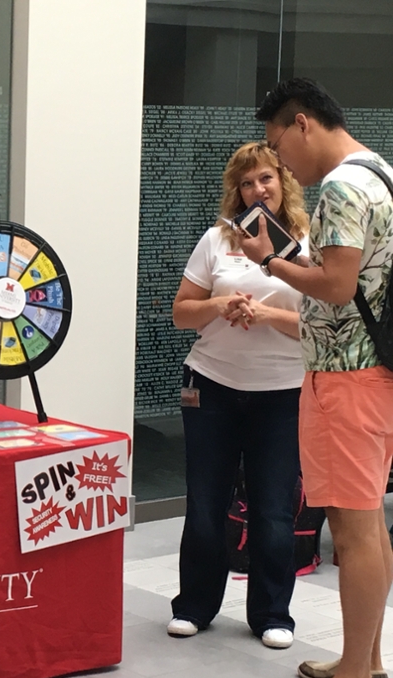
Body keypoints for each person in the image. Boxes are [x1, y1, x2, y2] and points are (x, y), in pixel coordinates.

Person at [241, 78, 393, 678]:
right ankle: (369, 661)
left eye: (279, 148)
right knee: (370, 526)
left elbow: (335, 286)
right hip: (373, 373)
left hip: (344, 379)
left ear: (302, 123)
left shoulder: (338, 186)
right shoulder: (380, 171)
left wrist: (271, 261)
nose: (281, 166)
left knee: (352, 530)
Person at [168, 142, 309, 651]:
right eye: (247, 183)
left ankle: (273, 613)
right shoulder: (215, 239)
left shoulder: (311, 245)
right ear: (237, 191)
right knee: (205, 503)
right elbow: (182, 311)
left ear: (284, 182)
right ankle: (193, 607)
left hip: (283, 393)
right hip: (212, 386)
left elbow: (323, 327)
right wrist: (221, 303)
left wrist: (267, 315)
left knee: (273, 509)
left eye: (266, 179)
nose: (257, 191)